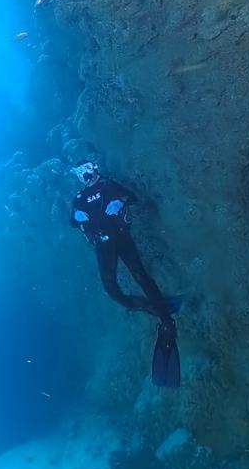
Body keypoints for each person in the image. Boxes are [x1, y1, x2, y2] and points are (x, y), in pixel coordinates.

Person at [70, 161, 181, 388]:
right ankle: (156, 307)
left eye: (86, 171)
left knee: (141, 276)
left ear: (94, 169)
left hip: (121, 237)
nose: (85, 176)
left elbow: (132, 196)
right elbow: (73, 220)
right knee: (111, 290)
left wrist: (119, 202)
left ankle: (166, 320)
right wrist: (76, 216)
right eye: (80, 173)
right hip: (102, 245)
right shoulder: (80, 197)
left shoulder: (108, 186)